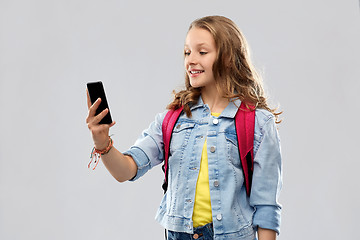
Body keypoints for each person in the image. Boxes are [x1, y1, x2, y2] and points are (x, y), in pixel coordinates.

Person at [86, 15, 282, 240]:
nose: (190, 60)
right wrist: (102, 143)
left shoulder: (258, 123)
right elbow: (126, 171)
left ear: (228, 58)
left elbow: (266, 208)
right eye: (187, 52)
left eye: (202, 52)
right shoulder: (173, 118)